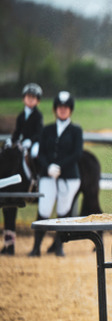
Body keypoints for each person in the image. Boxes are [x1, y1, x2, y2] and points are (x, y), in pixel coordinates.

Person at [29, 91, 83, 257]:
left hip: (68, 177)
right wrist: (48, 166)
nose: (62, 110)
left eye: (66, 108)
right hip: (48, 175)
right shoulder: (48, 130)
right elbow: (41, 152)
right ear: (55, 109)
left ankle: (59, 245)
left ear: (70, 110)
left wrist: (59, 166)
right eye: (60, 107)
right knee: (44, 210)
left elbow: (77, 153)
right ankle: (36, 246)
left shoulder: (76, 130)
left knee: (63, 211)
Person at [3, 83, 45, 255]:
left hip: (33, 143)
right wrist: (11, 140)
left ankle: (37, 177)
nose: (30, 100)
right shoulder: (21, 115)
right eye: (28, 97)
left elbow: (39, 133)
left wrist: (30, 141)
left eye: (33, 98)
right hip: (21, 142)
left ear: (37, 101)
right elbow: (17, 132)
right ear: (24, 99)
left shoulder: (38, 115)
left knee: (35, 153)